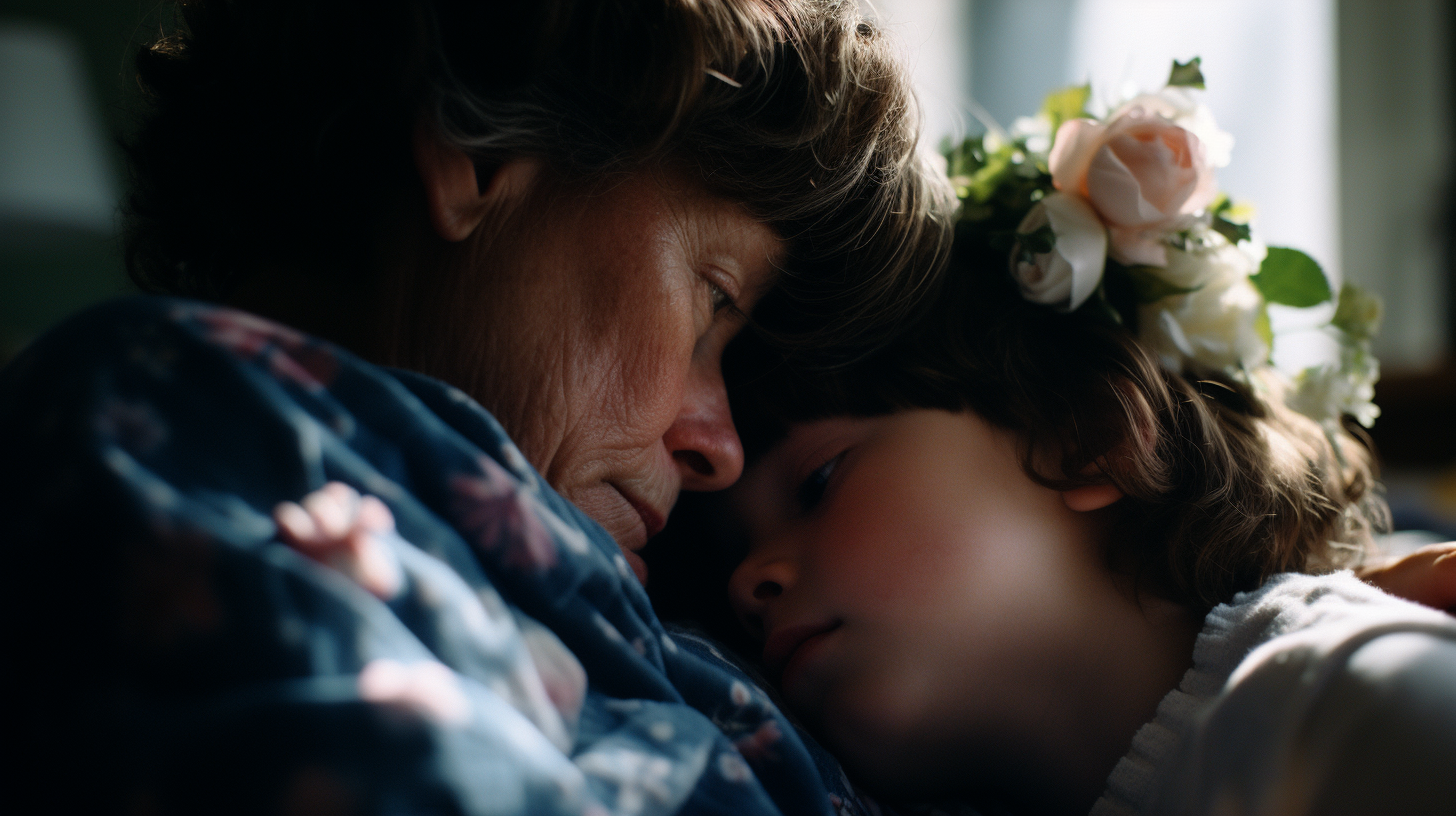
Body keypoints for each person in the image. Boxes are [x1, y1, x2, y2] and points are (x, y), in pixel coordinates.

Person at [0, 0, 956, 813]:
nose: (721, 449)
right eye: (712, 304)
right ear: (480, 151)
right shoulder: (157, 407)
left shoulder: (683, 621)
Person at [719, 211, 1456, 815]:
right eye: (733, 547)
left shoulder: (1333, 689)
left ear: (1088, 436)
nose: (745, 582)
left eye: (818, 482)